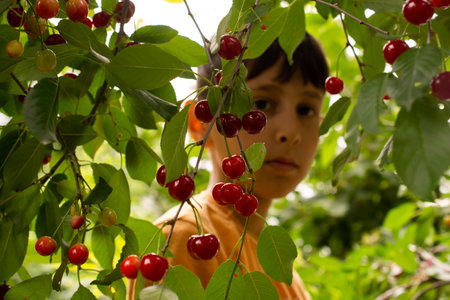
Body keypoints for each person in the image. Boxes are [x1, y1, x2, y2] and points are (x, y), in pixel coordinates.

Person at [129, 33, 328, 300]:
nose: (290, 133)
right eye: (261, 104)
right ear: (202, 122)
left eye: (306, 109)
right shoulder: (182, 240)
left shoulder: (283, 273)